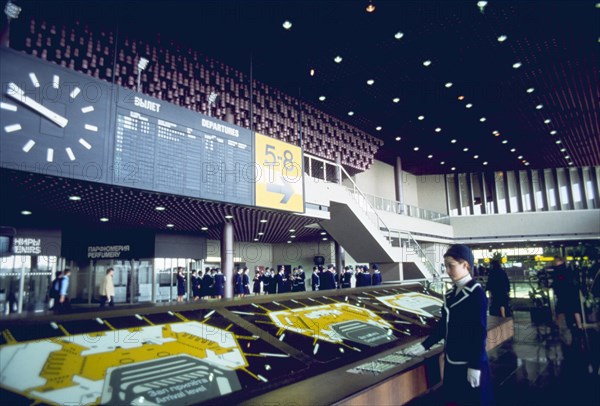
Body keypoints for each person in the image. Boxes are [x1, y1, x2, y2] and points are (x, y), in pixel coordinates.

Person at [405, 244, 493, 406]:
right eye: (445, 266)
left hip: (469, 362)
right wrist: (424, 346)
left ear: (465, 265)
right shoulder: (451, 294)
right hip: (452, 361)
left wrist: (475, 366)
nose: (447, 270)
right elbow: (443, 327)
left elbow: (479, 334)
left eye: (451, 266)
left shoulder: (476, 294)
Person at [551, 256, 583, 331]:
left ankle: (560, 327)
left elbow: (557, 283)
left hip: (563, 294)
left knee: (561, 311)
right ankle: (579, 326)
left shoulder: (558, 271)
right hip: (571, 293)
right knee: (575, 310)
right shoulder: (568, 270)